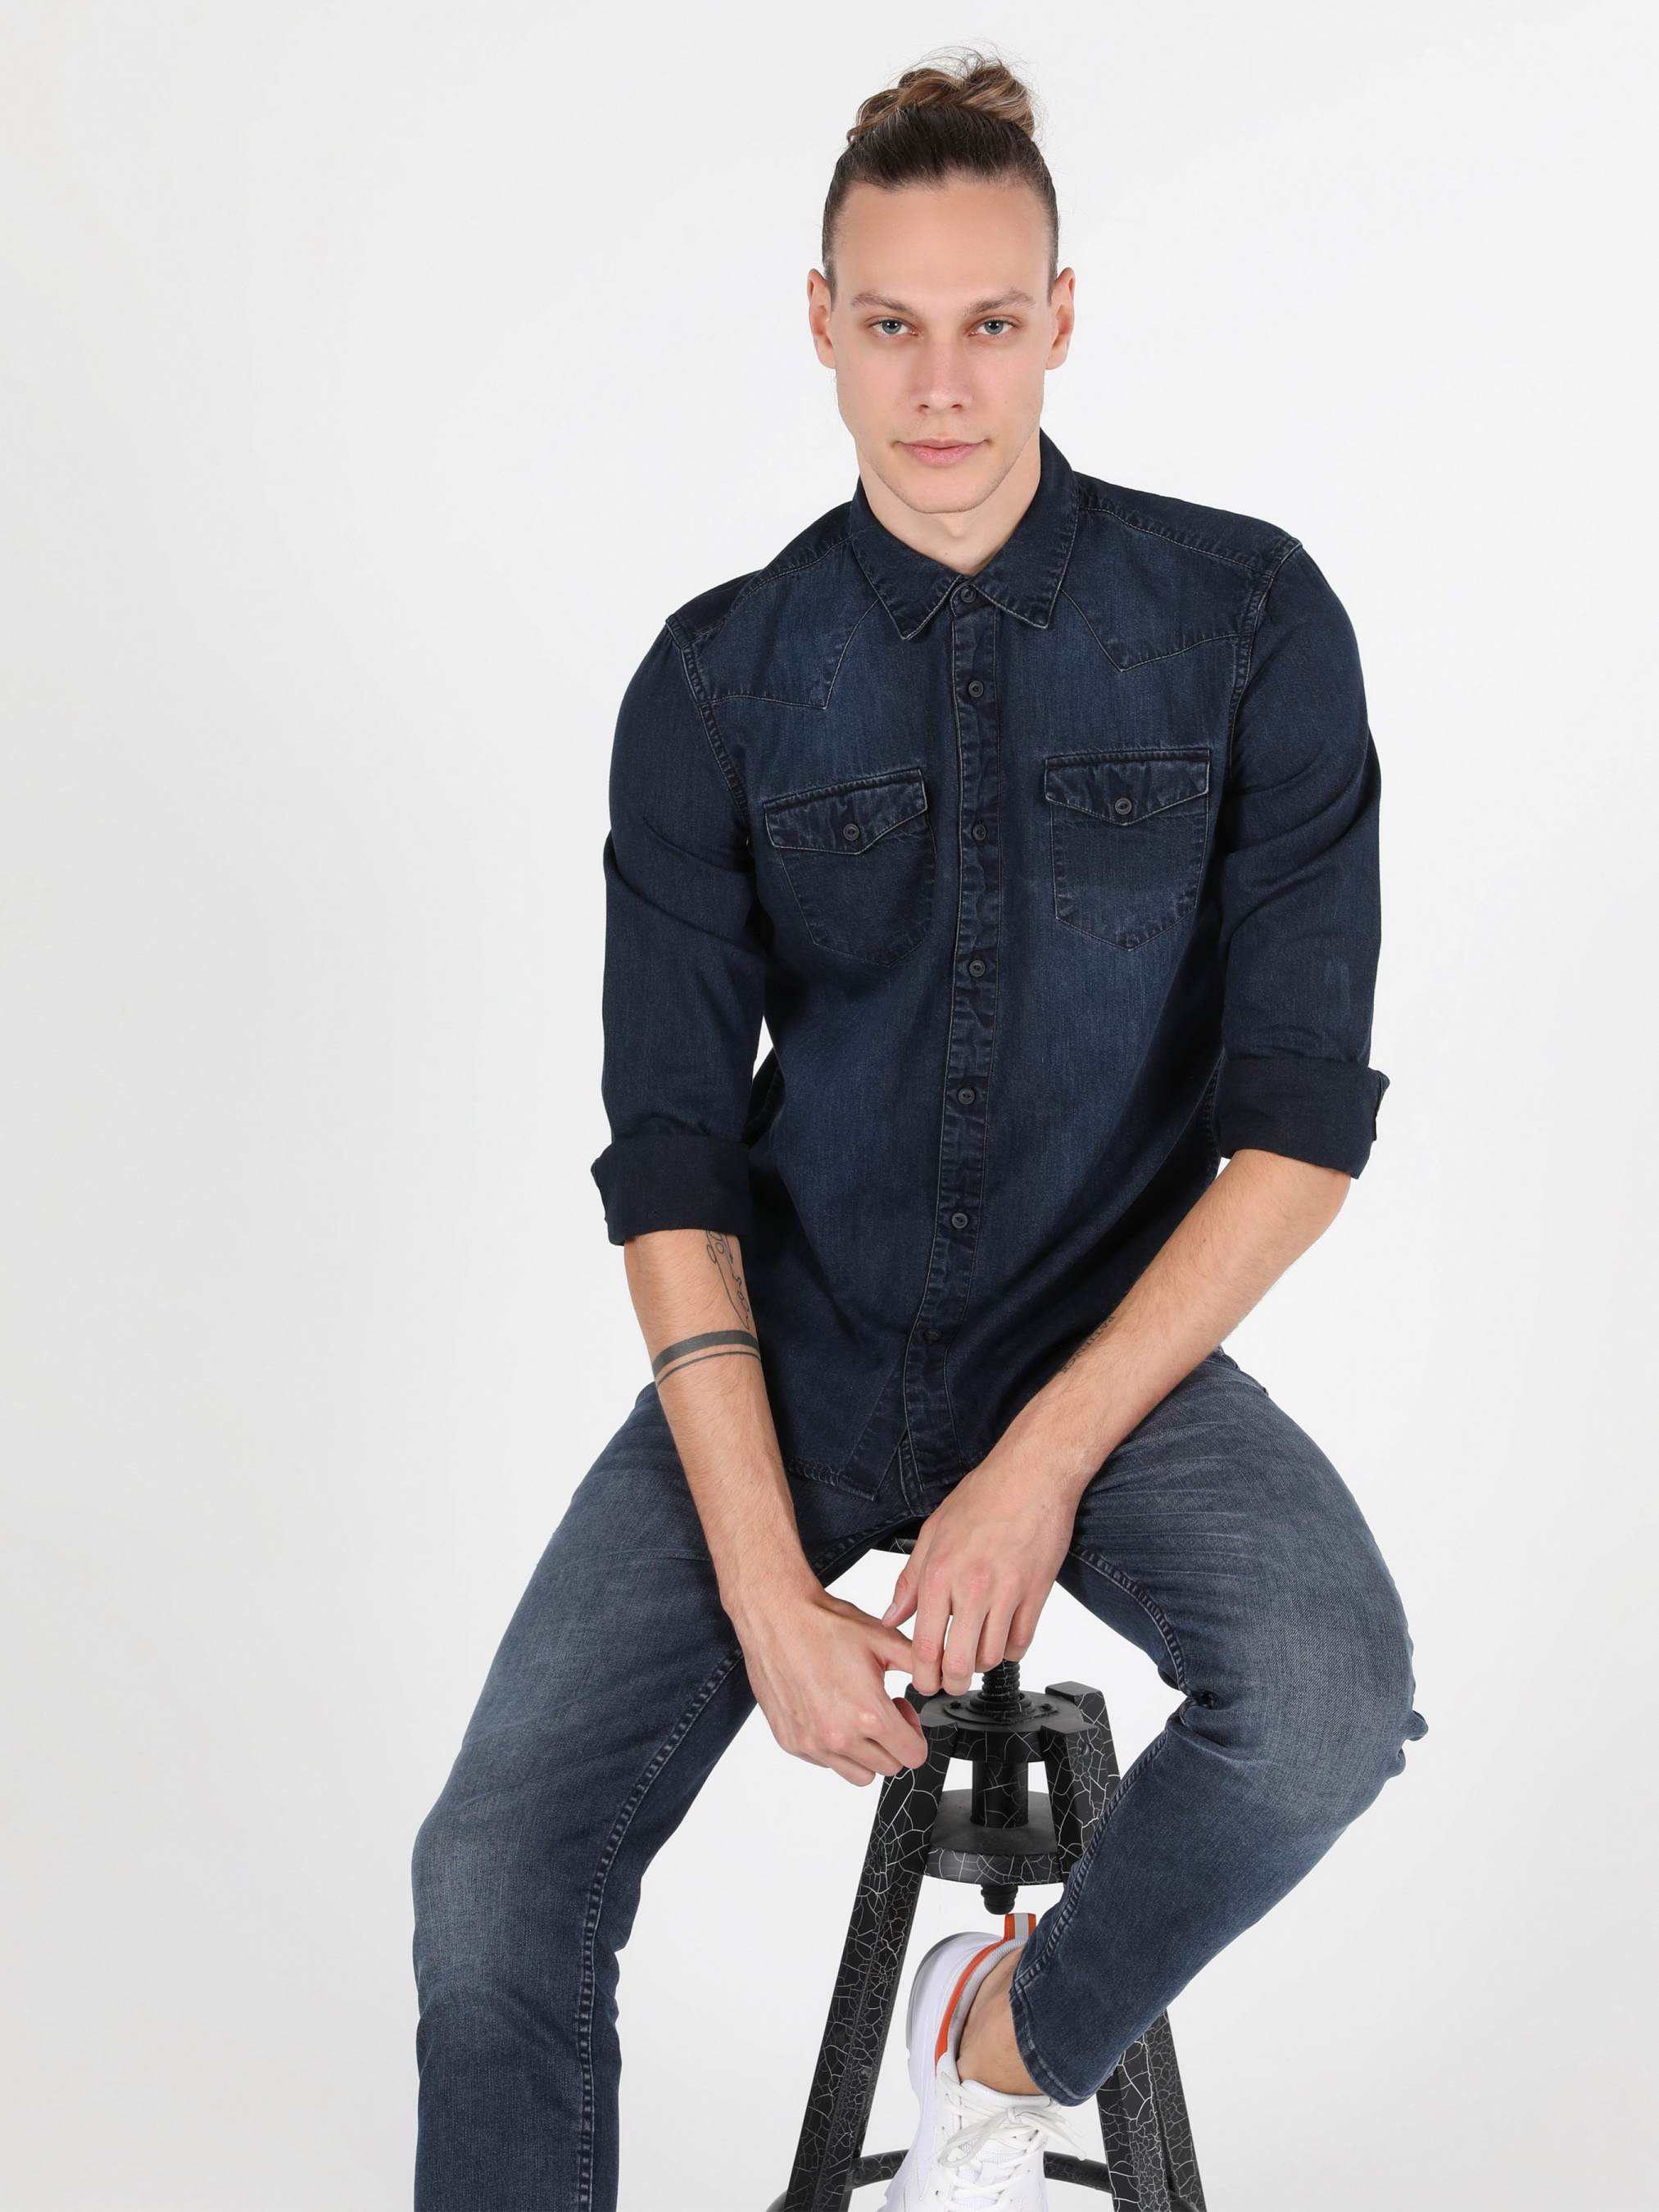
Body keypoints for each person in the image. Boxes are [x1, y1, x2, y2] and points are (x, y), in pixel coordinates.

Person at [410, 50, 1426, 2212]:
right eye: (890, 323)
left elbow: (1298, 1126)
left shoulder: (1247, 623)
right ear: (820, 322)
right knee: (492, 1874)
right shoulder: (715, 682)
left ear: (1060, 318)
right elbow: (670, 1155)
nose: (940, 383)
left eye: (987, 321)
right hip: (790, 1348)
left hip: (1103, 1351)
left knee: (1329, 1691)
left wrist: (1037, 1463)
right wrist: (767, 1586)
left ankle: (1003, 2023)